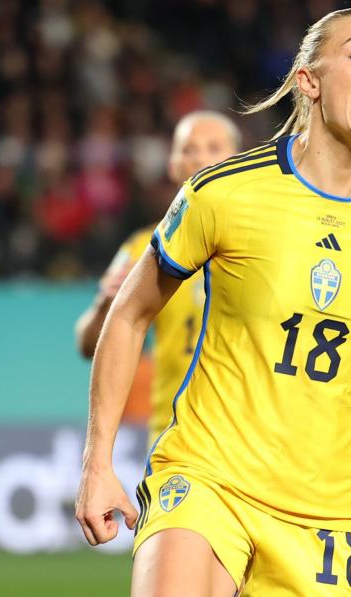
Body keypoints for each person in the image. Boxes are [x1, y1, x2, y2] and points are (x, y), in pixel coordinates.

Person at [76, 8, 351, 595]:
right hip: (209, 474)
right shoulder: (224, 193)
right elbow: (130, 313)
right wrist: (97, 465)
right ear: (309, 81)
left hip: (324, 512)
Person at [75, 111, 241, 447]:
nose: (200, 159)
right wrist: (105, 302)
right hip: (174, 440)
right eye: (189, 149)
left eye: (213, 147)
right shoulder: (143, 248)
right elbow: (87, 343)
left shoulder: (265, 242)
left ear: (238, 161)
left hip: (248, 436)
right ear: (172, 164)